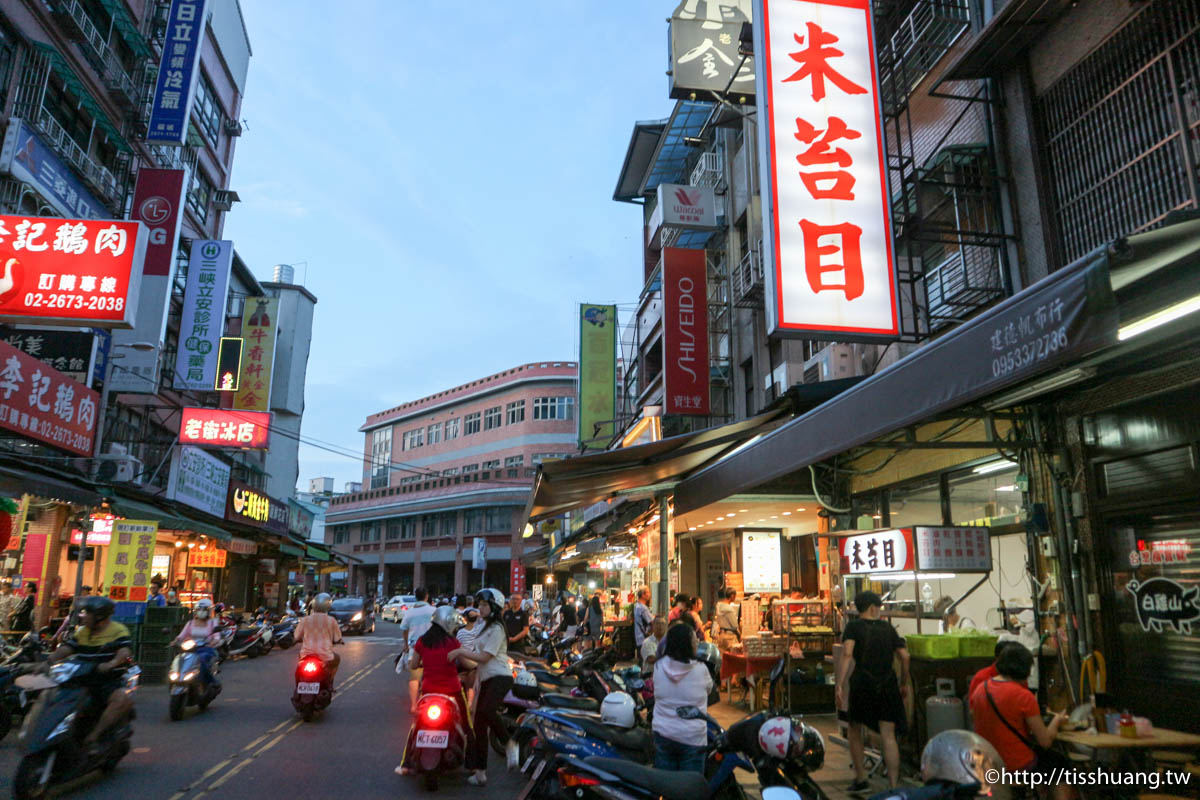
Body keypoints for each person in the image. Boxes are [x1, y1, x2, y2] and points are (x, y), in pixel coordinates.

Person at [970, 644, 1069, 800]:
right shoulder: (1023, 696)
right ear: (1024, 669)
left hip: (986, 763)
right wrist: (1057, 720)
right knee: (1060, 763)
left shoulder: (980, 690)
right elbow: (1045, 741)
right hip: (1016, 765)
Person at [837, 591, 910, 793]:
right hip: (887, 683)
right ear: (872, 608)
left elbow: (847, 654)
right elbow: (904, 656)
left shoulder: (853, 627)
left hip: (862, 683)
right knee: (888, 734)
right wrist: (903, 682)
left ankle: (861, 779)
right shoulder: (887, 628)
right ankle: (894, 785)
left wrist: (840, 683)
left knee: (854, 730)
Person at [47, 595, 135, 751]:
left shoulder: (118, 630)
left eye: (87, 613)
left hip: (105, 681)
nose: (83, 616)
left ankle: (94, 736)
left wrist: (111, 663)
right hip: (79, 678)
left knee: (121, 700)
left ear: (99, 616)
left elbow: (124, 651)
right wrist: (48, 661)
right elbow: (67, 648)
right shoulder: (82, 632)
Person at [449, 588, 513, 786]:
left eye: (485, 605)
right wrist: (476, 685)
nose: (481, 608)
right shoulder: (482, 625)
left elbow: (485, 657)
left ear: (494, 607)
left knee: (486, 711)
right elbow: (480, 661)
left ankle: (509, 744)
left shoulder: (497, 630)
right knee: (478, 725)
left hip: (501, 676)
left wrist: (460, 651)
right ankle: (480, 773)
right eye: (480, 604)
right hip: (484, 678)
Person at [397, 605, 466, 775]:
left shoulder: (422, 641)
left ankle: (405, 764)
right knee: (467, 724)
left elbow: (413, 664)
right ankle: (473, 764)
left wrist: (422, 662)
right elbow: (465, 662)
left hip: (428, 691)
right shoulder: (453, 642)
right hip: (452, 691)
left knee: (416, 726)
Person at [651, 622, 713, 773]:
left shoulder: (658, 667)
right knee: (689, 787)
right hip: (693, 738)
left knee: (666, 786)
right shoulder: (701, 669)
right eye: (694, 640)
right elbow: (709, 690)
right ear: (689, 644)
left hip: (663, 734)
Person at [398, 588, 436, 713]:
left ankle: (414, 705)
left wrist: (406, 645)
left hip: (415, 649)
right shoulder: (433, 611)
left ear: (415, 597)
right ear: (426, 596)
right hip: (432, 648)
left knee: (414, 677)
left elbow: (405, 629)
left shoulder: (410, 612)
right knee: (433, 676)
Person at [172, 598, 222, 687]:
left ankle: (212, 681)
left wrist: (212, 643)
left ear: (209, 611)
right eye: (199, 609)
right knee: (178, 660)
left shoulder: (212, 623)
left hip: (206, 649)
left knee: (202, 660)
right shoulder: (190, 623)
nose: (201, 612)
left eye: (204, 610)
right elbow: (182, 635)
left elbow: (217, 637)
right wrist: (175, 641)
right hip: (190, 649)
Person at [294, 592, 343, 681]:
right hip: (325, 655)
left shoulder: (305, 620)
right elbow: (337, 638)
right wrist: (339, 641)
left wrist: (298, 639)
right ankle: (330, 680)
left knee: (299, 665)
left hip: (306, 654)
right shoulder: (331, 620)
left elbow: (296, 636)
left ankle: (298, 685)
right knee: (337, 659)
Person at [633, 587, 654, 651]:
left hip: (639, 638)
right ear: (643, 595)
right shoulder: (643, 608)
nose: (649, 594)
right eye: (647, 592)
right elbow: (651, 622)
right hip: (644, 639)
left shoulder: (637, 606)